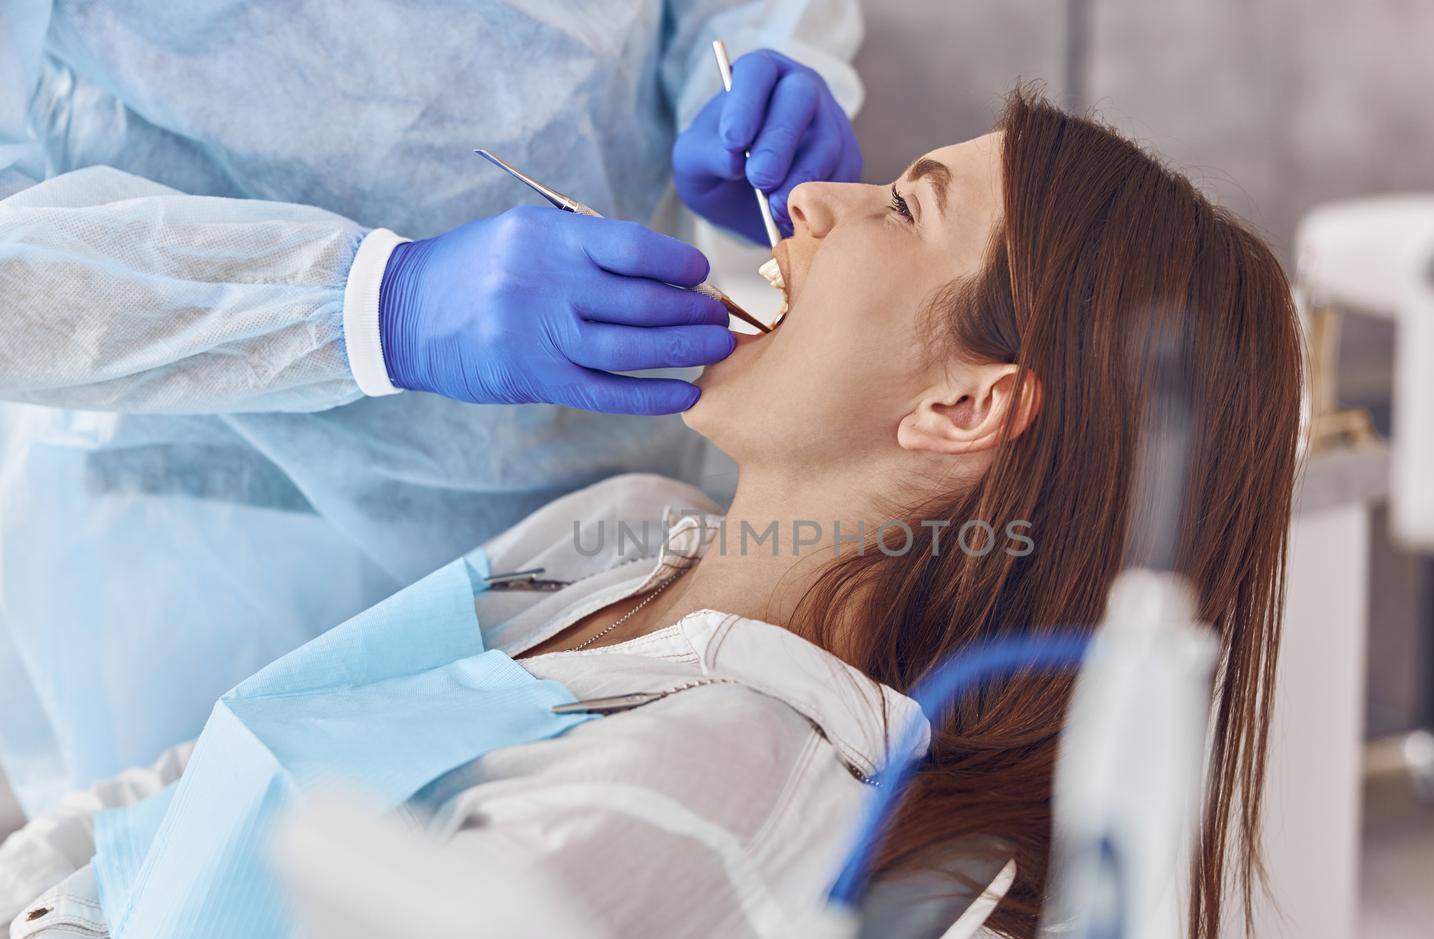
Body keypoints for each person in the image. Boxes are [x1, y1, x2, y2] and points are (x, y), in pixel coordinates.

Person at [0, 90, 1305, 939]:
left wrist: (36, 934)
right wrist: (36, 887)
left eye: (907, 207)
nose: (811, 201)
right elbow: (194, 777)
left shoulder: (712, 787)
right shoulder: (633, 531)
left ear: (965, 403)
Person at [0, 0, 869, 819]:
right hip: (226, 536)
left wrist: (747, 70)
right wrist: (373, 307)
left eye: (906, 210)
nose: (840, 214)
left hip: (603, 483)